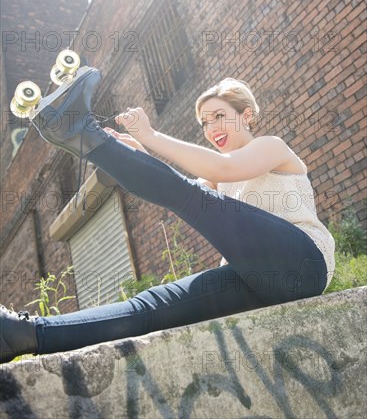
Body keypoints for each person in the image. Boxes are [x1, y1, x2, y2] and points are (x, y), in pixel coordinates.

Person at [0, 74, 335, 363]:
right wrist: (136, 154)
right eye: (205, 122)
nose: (212, 128)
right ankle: (22, 334)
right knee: (151, 307)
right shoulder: (216, 183)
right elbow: (179, 188)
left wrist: (152, 137)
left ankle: (82, 133)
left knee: (193, 198)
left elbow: (221, 170)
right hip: (255, 282)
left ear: (247, 115)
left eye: (220, 116)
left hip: (303, 264)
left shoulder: (272, 148)